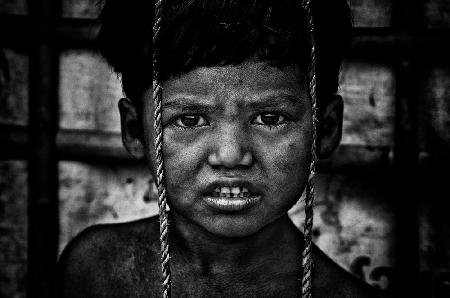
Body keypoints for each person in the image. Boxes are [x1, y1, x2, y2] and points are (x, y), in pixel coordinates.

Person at [57, 0, 379, 297]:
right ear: (134, 130)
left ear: (325, 129)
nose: (230, 155)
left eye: (270, 118)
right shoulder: (97, 270)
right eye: (190, 119)